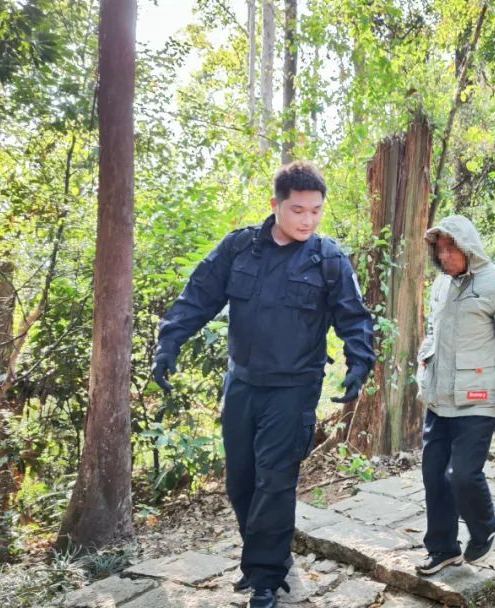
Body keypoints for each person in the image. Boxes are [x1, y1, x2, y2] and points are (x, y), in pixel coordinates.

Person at [151, 161, 375, 608]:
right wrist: (168, 343)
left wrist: (358, 365)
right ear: (275, 205)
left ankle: (266, 579)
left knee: (275, 479)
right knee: (241, 481)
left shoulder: (328, 258)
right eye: (298, 210)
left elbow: (354, 318)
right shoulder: (239, 249)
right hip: (243, 383)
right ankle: (265, 557)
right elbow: (198, 295)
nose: (308, 220)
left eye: (315, 211)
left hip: (295, 387)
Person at [414, 215, 495, 576]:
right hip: (439, 399)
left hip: (477, 399)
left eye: (452, 247)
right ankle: (442, 549)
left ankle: (484, 528)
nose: (445, 255)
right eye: (440, 249)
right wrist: (423, 367)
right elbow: (433, 334)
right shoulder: (440, 285)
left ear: (468, 247)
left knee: (462, 475)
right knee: (434, 476)